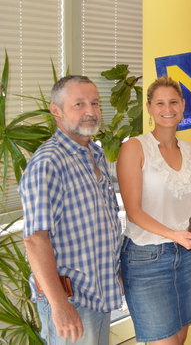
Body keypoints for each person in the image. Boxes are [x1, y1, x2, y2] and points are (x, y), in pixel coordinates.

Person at [19, 75, 122, 344]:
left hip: (98, 293)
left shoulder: (95, 155)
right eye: (79, 104)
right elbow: (35, 239)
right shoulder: (48, 163)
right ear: (56, 111)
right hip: (72, 301)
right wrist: (59, 305)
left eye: (95, 103)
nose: (91, 111)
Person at [118, 76, 191, 344]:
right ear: (150, 108)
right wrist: (176, 235)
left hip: (186, 257)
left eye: (173, 102)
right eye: (160, 103)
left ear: (183, 105)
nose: (167, 109)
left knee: (179, 339)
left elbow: (186, 205)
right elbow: (133, 212)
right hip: (147, 258)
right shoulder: (134, 147)